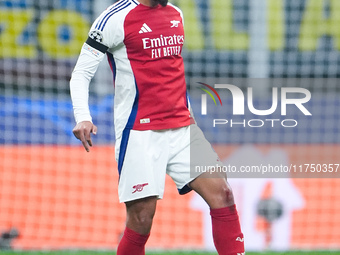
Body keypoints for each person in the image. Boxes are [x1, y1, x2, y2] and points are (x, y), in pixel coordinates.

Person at [70, 0, 245, 254]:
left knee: (224, 195)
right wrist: (83, 116)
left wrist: (190, 116)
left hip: (183, 128)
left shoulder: (176, 14)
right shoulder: (114, 18)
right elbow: (81, 74)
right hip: (140, 133)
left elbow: (171, 73)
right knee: (141, 220)